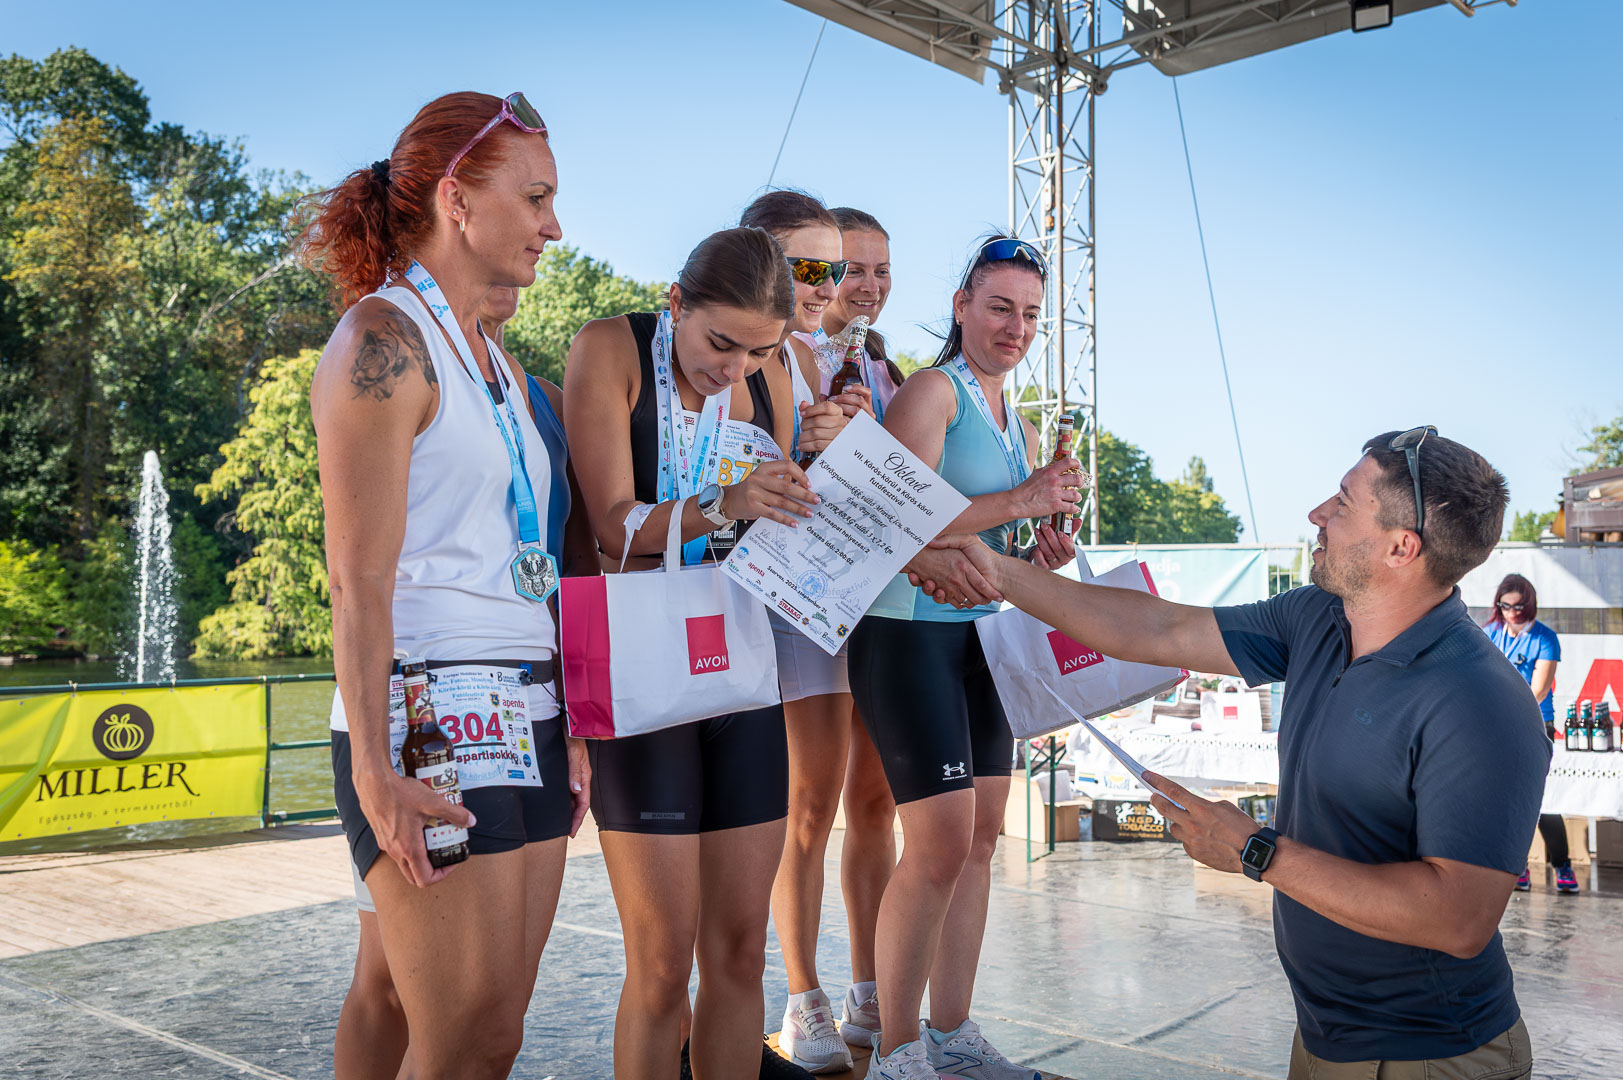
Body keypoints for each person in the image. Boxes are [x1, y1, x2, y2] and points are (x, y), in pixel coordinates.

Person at [928, 426, 1547, 1079]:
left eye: (1342, 503)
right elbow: (1159, 626)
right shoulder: (1318, 618)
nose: (1316, 514)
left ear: (1401, 547)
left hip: (1428, 1055)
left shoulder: (1478, 700)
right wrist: (995, 568)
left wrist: (1256, 852)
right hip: (1326, 1036)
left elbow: (1457, 919)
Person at [304, 91, 590, 1080]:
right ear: (458, 200)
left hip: (528, 703)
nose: (554, 226)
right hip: (430, 709)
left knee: (487, 1032)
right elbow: (357, 580)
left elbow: (528, 560)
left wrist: (573, 719)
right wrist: (374, 769)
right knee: (465, 1039)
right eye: (536, 198)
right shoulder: (383, 342)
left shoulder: (497, 361)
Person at [564, 226, 818, 1080]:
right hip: (641, 664)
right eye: (719, 343)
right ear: (676, 304)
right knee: (663, 964)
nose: (734, 368)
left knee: (742, 952)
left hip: (741, 658)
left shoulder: (772, 377)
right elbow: (611, 525)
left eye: (759, 351)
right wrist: (727, 502)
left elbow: (779, 515)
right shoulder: (611, 348)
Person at [851, 235, 1082, 1080]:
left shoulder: (1017, 422)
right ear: (960, 306)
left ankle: (951, 1035)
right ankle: (896, 1048)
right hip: (907, 634)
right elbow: (893, 519)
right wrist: (1019, 498)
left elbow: (985, 538)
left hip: (982, 638)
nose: (1014, 327)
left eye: (1029, 315)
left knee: (981, 840)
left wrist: (1036, 547)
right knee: (939, 845)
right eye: (998, 307)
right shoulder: (932, 392)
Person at [737, 191, 882, 1074]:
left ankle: (863, 989)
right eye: (814, 268)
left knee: (861, 803)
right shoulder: (735, 352)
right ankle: (802, 998)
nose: (830, 285)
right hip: (776, 601)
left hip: (841, 593)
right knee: (806, 807)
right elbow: (721, 475)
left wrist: (845, 436)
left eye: (841, 268)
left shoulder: (821, 356)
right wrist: (810, 441)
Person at [1485, 574, 1573, 894]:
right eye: (1505, 606)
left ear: (1530, 605)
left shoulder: (1545, 638)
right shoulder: (1489, 634)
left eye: (1518, 606)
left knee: (1543, 800)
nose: (1511, 612)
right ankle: (1517, 866)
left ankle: (1562, 864)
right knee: (1505, 801)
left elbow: (1539, 690)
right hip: (1496, 725)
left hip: (1535, 724)